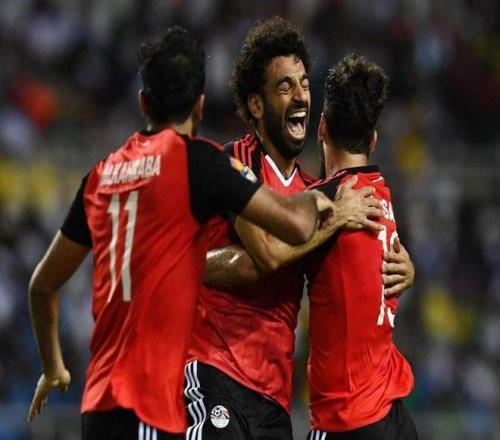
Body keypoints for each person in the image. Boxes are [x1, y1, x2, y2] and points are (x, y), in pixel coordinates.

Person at [26, 26, 342, 440]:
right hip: (153, 401)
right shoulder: (202, 164)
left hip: (99, 404)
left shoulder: (100, 177)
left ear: (143, 102)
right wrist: (327, 203)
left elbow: (42, 285)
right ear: (200, 105)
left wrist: (52, 368)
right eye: (286, 86)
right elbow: (293, 230)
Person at [185, 18, 414, 440]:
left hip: (273, 396)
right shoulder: (236, 163)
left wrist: (405, 265)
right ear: (257, 105)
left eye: (305, 84)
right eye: (285, 87)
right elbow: (261, 256)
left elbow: (356, 267)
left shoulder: (315, 192)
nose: (301, 96)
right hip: (218, 370)